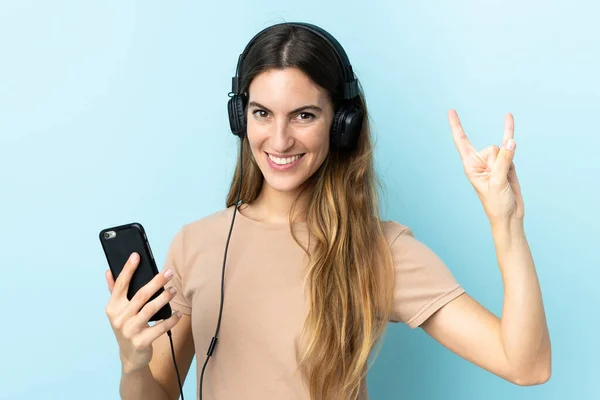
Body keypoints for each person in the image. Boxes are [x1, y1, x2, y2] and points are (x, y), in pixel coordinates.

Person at [103, 22, 551, 400]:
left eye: (303, 116)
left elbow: (525, 365)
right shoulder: (195, 244)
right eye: (262, 113)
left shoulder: (379, 250)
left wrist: (506, 223)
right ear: (240, 118)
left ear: (342, 124)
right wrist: (133, 363)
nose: (278, 141)